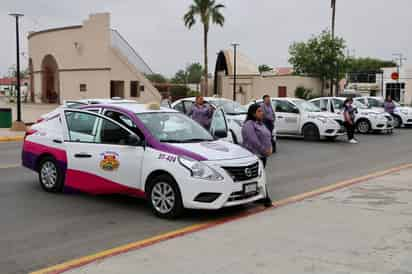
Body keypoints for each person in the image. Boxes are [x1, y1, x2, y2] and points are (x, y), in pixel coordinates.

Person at [242, 103, 273, 207]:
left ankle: (257, 196)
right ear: (253, 113)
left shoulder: (260, 123)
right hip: (254, 156)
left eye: (261, 111)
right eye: (259, 111)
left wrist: (270, 147)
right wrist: (264, 150)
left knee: (258, 177)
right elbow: (253, 141)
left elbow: (267, 136)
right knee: (260, 177)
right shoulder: (249, 124)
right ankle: (266, 199)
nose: (262, 113)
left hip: (263, 156)